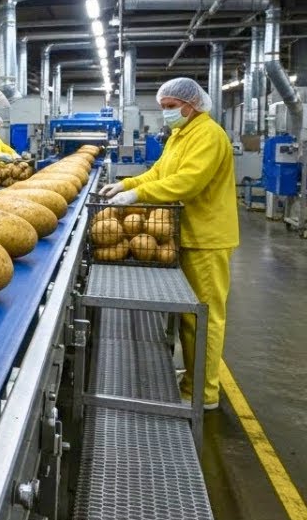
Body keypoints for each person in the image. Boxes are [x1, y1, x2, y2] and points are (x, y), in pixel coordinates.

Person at [98, 77, 238, 411]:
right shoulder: (181, 135)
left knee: (203, 317)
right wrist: (127, 185)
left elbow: (188, 182)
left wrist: (138, 195)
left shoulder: (208, 135)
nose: (166, 113)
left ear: (191, 105)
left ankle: (203, 393)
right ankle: (193, 379)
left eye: (171, 107)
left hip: (207, 237)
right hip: (187, 232)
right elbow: (160, 172)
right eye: (163, 107)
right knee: (189, 316)